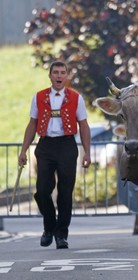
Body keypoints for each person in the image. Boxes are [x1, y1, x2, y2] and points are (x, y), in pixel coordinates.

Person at [18, 61, 91, 249]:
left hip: (67, 145)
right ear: (50, 76)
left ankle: (61, 235)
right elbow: (32, 124)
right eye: (56, 72)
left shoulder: (76, 98)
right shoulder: (39, 97)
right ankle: (49, 227)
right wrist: (24, 150)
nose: (59, 76)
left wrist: (87, 152)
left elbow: (83, 125)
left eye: (62, 73)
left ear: (66, 76)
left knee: (65, 193)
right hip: (46, 145)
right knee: (42, 190)